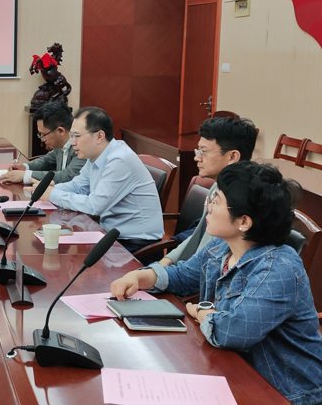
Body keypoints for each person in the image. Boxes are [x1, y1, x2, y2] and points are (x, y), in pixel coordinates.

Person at [109, 162, 322, 405]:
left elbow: (232, 332)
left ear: (244, 221)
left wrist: (202, 313)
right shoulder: (222, 246)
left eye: (216, 201)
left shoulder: (278, 268)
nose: (207, 207)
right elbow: (183, 276)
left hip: (286, 392)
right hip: (232, 371)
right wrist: (141, 277)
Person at [47, 107, 163, 252]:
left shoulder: (119, 160)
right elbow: (78, 186)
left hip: (136, 246)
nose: (72, 142)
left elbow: (94, 206)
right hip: (110, 236)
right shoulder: (95, 156)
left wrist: (53, 194)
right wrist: (49, 190)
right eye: (71, 136)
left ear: (99, 136)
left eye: (77, 136)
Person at [159, 116, 258, 266]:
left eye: (204, 152)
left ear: (232, 156)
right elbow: (197, 238)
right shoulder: (217, 187)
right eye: (198, 151)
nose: (197, 158)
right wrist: (165, 263)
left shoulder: (247, 200)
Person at [0, 101, 85, 185]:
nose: (42, 139)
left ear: (60, 131)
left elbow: (67, 177)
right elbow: (46, 161)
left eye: (44, 134)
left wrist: (25, 176)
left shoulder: (81, 148)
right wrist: (24, 167)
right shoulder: (59, 146)